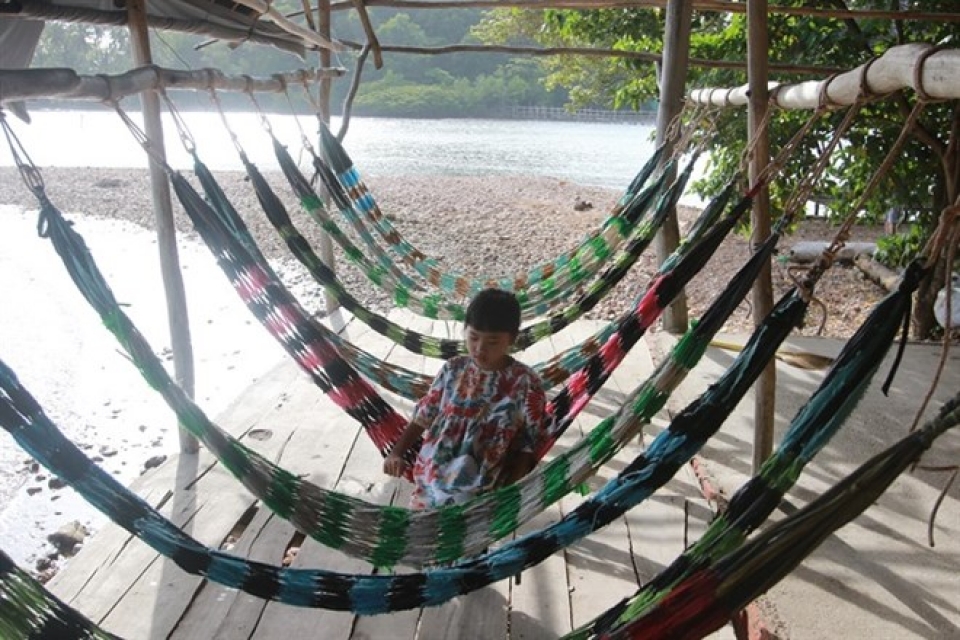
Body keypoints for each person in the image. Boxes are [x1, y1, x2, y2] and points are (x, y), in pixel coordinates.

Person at [383, 288, 547, 509]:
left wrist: (512, 492)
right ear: (464, 331)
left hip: (482, 483)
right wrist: (396, 452)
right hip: (434, 470)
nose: (480, 348)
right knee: (424, 532)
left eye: (492, 342)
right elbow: (424, 415)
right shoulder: (453, 369)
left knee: (465, 531)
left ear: (513, 339)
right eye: (473, 337)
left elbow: (528, 445)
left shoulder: (526, 383)